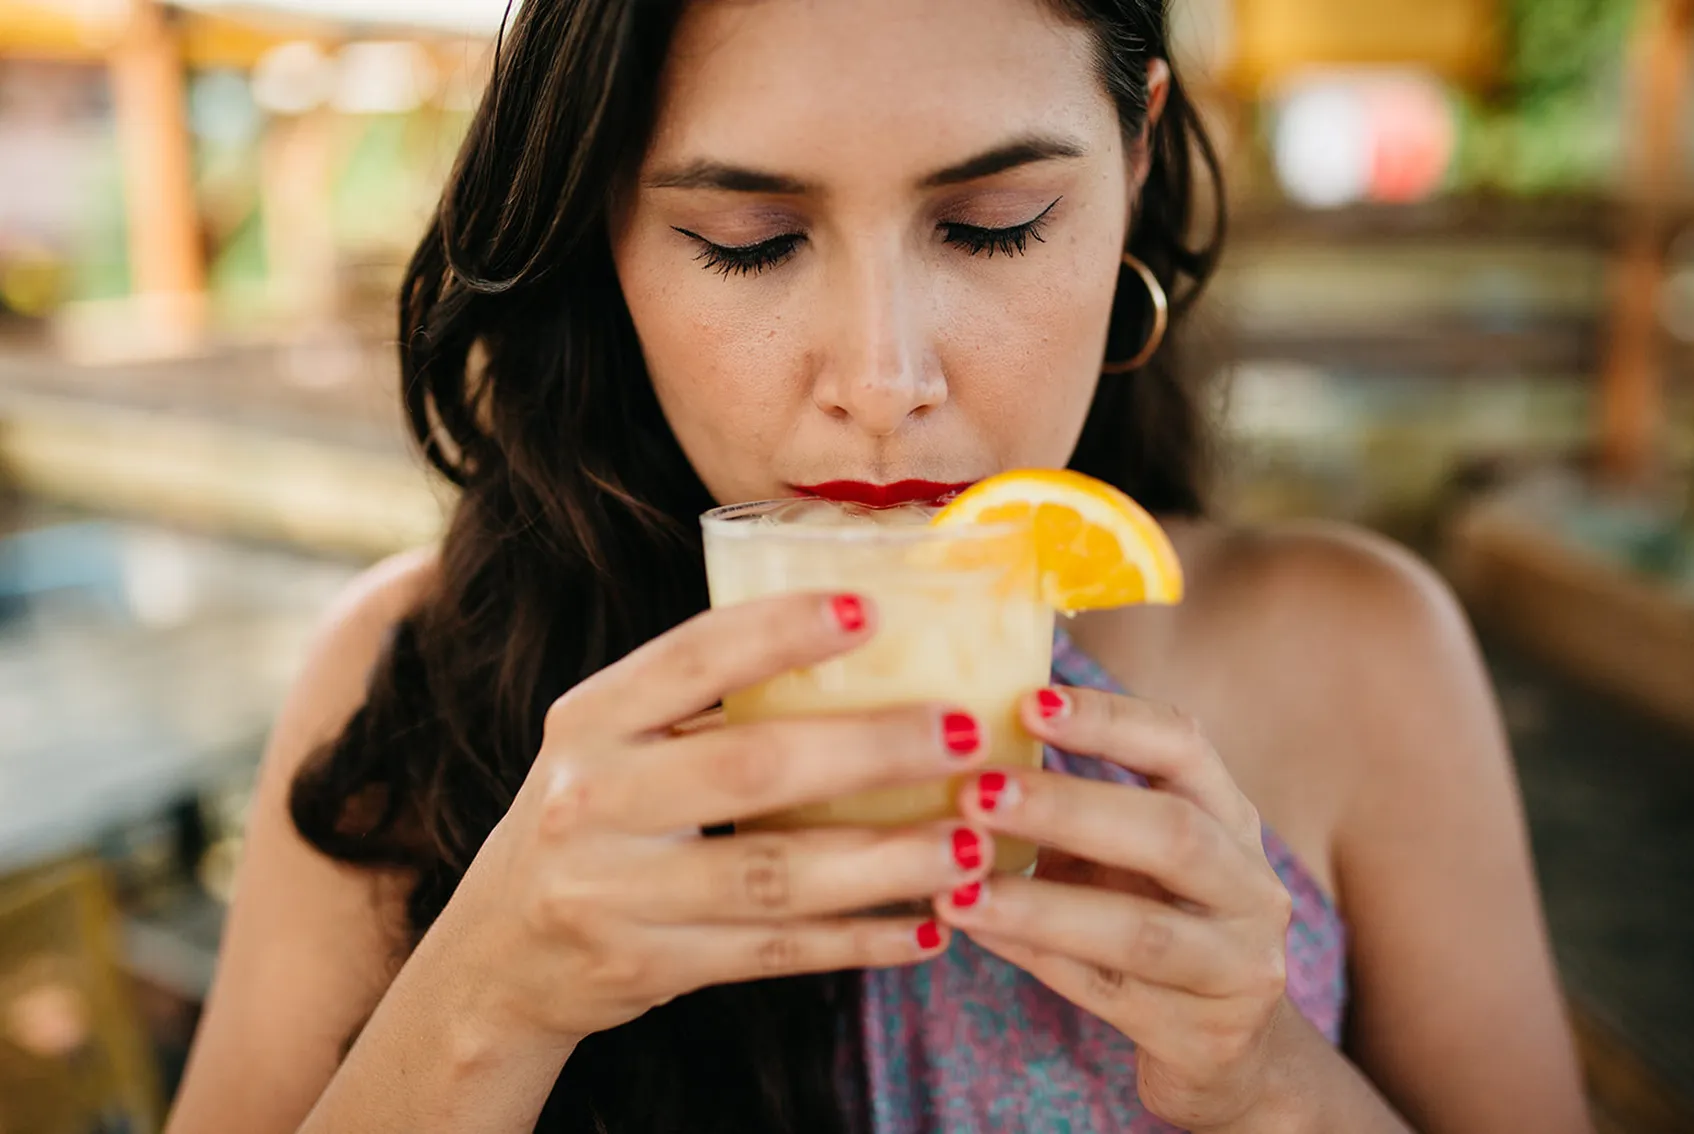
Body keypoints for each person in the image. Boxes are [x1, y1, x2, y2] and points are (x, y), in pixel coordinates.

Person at [164, 1, 1594, 1131]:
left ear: (1136, 157)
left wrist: (1270, 1078)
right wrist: (485, 1004)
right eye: (749, 240)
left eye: (991, 226)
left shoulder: (1358, 649)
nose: (883, 377)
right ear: (607, 227)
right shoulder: (409, 678)